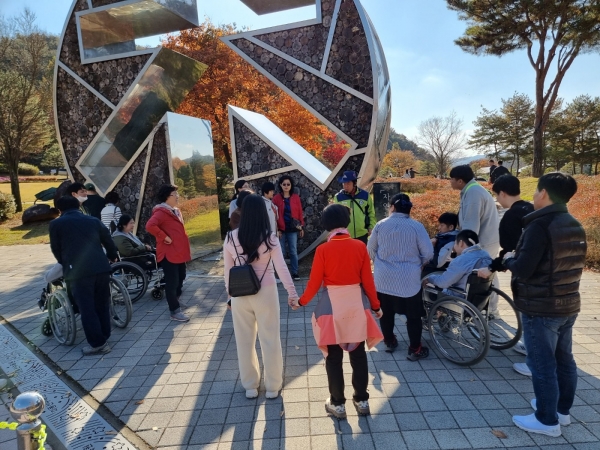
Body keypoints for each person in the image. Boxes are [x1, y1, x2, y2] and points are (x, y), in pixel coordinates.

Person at [503, 173, 586, 438]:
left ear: (544, 193)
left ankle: (546, 420)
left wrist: (508, 259)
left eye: (537, 190)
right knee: (564, 360)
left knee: (541, 365)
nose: (534, 195)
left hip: (541, 307)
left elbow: (524, 268)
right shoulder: (574, 223)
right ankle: (561, 411)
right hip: (568, 303)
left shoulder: (540, 226)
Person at [290, 204, 383, 418]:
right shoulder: (359, 246)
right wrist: (376, 306)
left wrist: (301, 302)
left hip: (331, 308)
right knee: (358, 355)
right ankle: (362, 400)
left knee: (333, 357)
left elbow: (314, 283)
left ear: (326, 225)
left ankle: (337, 403)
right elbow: (368, 281)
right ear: (347, 221)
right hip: (356, 306)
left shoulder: (323, 250)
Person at [223, 194, 299, 400]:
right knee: (270, 338)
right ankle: (273, 386)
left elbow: (227, 271)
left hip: (240, 294)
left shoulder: (230, 238)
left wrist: (230, 296)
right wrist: (292, 293)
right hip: (266, 292)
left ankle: (250, 386)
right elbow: (281, 268)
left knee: (244, 341)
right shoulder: (270, 238)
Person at [49, 195, 118, 355]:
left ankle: (98, 343)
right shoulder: (93, 220)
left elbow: (56, 248)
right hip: (101, 268)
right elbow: (108, 239)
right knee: (102, 304)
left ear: (60, 210)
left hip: (78, 271)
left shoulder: (56, 224)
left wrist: (64, 262)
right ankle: (104, 335)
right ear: (78, 206)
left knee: (87, 308)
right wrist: (112, 255)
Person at [367, 193, 433, 358]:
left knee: (386, 312)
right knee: (413, 316)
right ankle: (415, 348)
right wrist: (419, 264)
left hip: (383, 279)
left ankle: (389, 341)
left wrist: (380, 263)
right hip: (408, 280)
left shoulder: (381, 225)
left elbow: (370, 249)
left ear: (392, 207)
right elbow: (428, 253)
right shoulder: (417, 226)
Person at [449, 164, 500, 315]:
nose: (450, 182)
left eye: (451, 179)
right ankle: (491, 310)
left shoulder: (473, 194)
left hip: (483, 242)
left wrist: (462, 250)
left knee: (484, 276)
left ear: (460, 181)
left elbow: (471, 227)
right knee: (489, 274)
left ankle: (489, 310)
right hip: (488, 240)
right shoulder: (472, 190)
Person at [146, 184, 191, 322]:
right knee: (172, 282)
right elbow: (150, 226)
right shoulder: (161, 212)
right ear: (167, 196)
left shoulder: (175, 211)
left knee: (181, 276)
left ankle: (175, 301)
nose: (177, 196)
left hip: (178, 252)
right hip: (168, 253)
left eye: (177, 194)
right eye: (174, 194)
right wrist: (164, 237)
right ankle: (174, 310)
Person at [423, 229, 492, 295]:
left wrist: (429, 278)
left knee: (424, 285)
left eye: (455, 243)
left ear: (461, 243)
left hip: (456, 297)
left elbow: (443, 282)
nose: (454, 247)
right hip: (479, 297)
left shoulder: (461, 260)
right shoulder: (486, 255)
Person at [272, 175, 304, 279]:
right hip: (281, 229)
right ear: (280, 185)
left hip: (293, 228)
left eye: (288, 184)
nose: (286, 186)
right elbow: (273, 215)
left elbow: (300, 213)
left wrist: (301, 226)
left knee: (293, 251)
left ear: (291, 185)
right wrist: (277, 229)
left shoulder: (295, 197)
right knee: (281, 252)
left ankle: (295, 272)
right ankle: (282, 274)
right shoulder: (276, 198)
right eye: (284, 184)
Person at [333, 171, 375, 244]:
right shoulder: (338, 197)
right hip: (345, 235)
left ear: (354, 183)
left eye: (348, 183)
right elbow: (336, 217)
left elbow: (371, 212)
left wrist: (371, 227)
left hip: (362, 234)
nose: (346, 186)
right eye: (344, 183)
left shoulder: (365, 195)